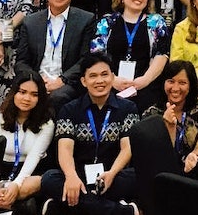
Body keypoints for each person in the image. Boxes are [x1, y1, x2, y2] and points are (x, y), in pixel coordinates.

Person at [39, 52, 140, 215]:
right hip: (79, 176)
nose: (99, 81)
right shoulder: (69, 109)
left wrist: (112, 173)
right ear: (84, 81)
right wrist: (71, 177)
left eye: (104, 74)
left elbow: (127, 148)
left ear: (113, 77)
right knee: (49, 179)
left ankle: (64, 206)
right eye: (93, 76)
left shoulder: (128, 108)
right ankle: (122, 211)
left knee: (135, 177)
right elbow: (64, 149)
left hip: (111, 176)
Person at [135, 60, 198, 209]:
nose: (175, 88)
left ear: (191, 86)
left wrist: (194, 155)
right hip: (166, 167)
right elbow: (155, 153)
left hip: (194, 165)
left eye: (182, 82)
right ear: (163, 83)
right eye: (171, 81)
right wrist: (169, 127)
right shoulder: (151, 113)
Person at [14, 0, 97, 113]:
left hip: (68, 82)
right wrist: (36, 81)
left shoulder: (86, 20)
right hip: (36, 80)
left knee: (56, 97)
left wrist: (61, 80)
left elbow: (85, 60)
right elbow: (21, 61)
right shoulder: (31, 21)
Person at [91, 0, 171, 112]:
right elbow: (96, 54)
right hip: (110, 83)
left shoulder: (156, 22)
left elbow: (162, 54)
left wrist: (144, 80)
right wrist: (111, 79)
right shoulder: (108, 21)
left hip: (146, 84)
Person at [0, 71, 55, 213]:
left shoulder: (47, 123)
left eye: (34, 94)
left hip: (29, 172)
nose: (27, 98)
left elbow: (34, 156)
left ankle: (7, 205)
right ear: (14, 93)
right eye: (22, 92)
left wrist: (17, 185)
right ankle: (7, 204)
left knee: (39, 183)